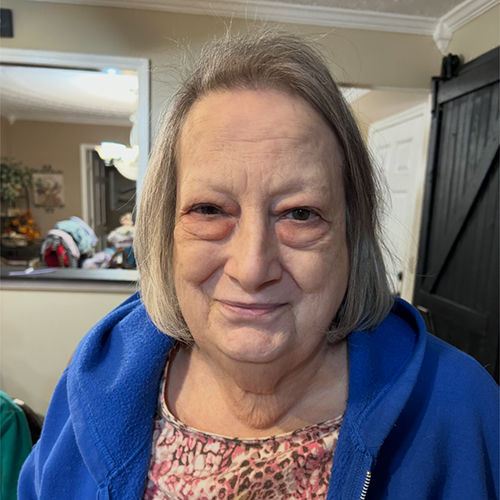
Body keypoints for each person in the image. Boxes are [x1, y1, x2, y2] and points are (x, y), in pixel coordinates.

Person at [18, 31, 499, 500]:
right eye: (210, 210)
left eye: (300, 214)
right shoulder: (91, 384)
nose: (251, 269)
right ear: (165, 230)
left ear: (351, 236)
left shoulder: (464, 409)